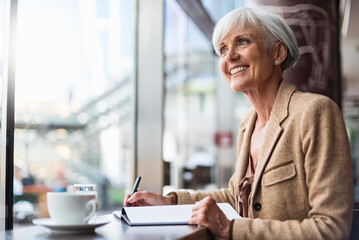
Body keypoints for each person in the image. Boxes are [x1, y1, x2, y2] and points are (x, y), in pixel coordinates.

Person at [124, 7, 353, 240]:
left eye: (242, 42)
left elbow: (331, 228)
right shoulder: (248, 123)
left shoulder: (315, 112)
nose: (229, 56)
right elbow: (236, 196)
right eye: (222, 49)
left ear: (278, 53)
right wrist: (170, 201)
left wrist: (230, 229)